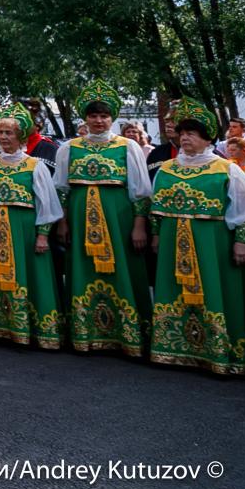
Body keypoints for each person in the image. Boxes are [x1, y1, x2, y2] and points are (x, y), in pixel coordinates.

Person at [147, 97, 245, 375]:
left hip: (213, 245)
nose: (186, 138)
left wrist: (241, 241)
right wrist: (155, 236)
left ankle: (220, 352)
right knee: (174, 291)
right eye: (183, 133)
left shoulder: (225, 169)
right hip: (173, 245)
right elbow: (155, 209)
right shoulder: (167, 169)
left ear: (207, 137)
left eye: (193, 133)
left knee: (216, 290)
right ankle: (177, 348)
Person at [52, 80, 151, 358]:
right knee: (82, 271)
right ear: (85, 117)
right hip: (80, 219)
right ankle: (85, 334)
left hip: (118, 220)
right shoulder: (69, 148)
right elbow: (61, 189)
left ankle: (127, 336)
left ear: (112, 118)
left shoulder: (128, 147)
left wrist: (140, 225)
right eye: (93, 115)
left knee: (123, 270)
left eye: (104, 115)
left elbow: (140, 191)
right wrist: (62, 222)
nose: (98, 120)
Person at [0, 104, 64, 348]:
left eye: (9, 133)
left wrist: (43, 236)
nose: (3, 137)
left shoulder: (35, 165)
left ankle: (29, 328)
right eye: (0, 133)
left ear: (21, 136)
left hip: (24, 229)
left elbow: (47, 204)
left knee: (28, 274)